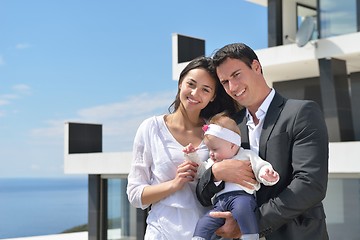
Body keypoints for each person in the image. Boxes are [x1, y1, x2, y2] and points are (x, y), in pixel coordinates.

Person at [196, 43, 329, 240]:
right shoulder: (230, 125)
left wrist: (250, 224)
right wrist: (215, 173)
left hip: (296, 234)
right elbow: (202, 193)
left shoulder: (301, 113)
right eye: (225, 82)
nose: (232, 87)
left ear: (256, 67)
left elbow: (310, 184)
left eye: (236, 75)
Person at [126, 56, 238, 240]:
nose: (195, 93)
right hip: (161, 233)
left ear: (213, 97)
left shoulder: (218, 132)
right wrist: (175, 183)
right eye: (191, 84)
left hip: (207, 234)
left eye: (205, 89)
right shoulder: (151, 128)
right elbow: (135, 195)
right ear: (180, 83)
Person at [184, 112, 279, 240]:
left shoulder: (246, 155)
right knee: (204, 222)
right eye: (209, 150)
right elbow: (202, 173)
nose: (211, 154)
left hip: (241, 197)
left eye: (215, 150)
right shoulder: (213, 162)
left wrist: (266, 174)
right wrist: (192, 156)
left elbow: (260, 166)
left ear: (232, 145)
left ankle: (251, 236)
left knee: (243, 211)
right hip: (219, 203)